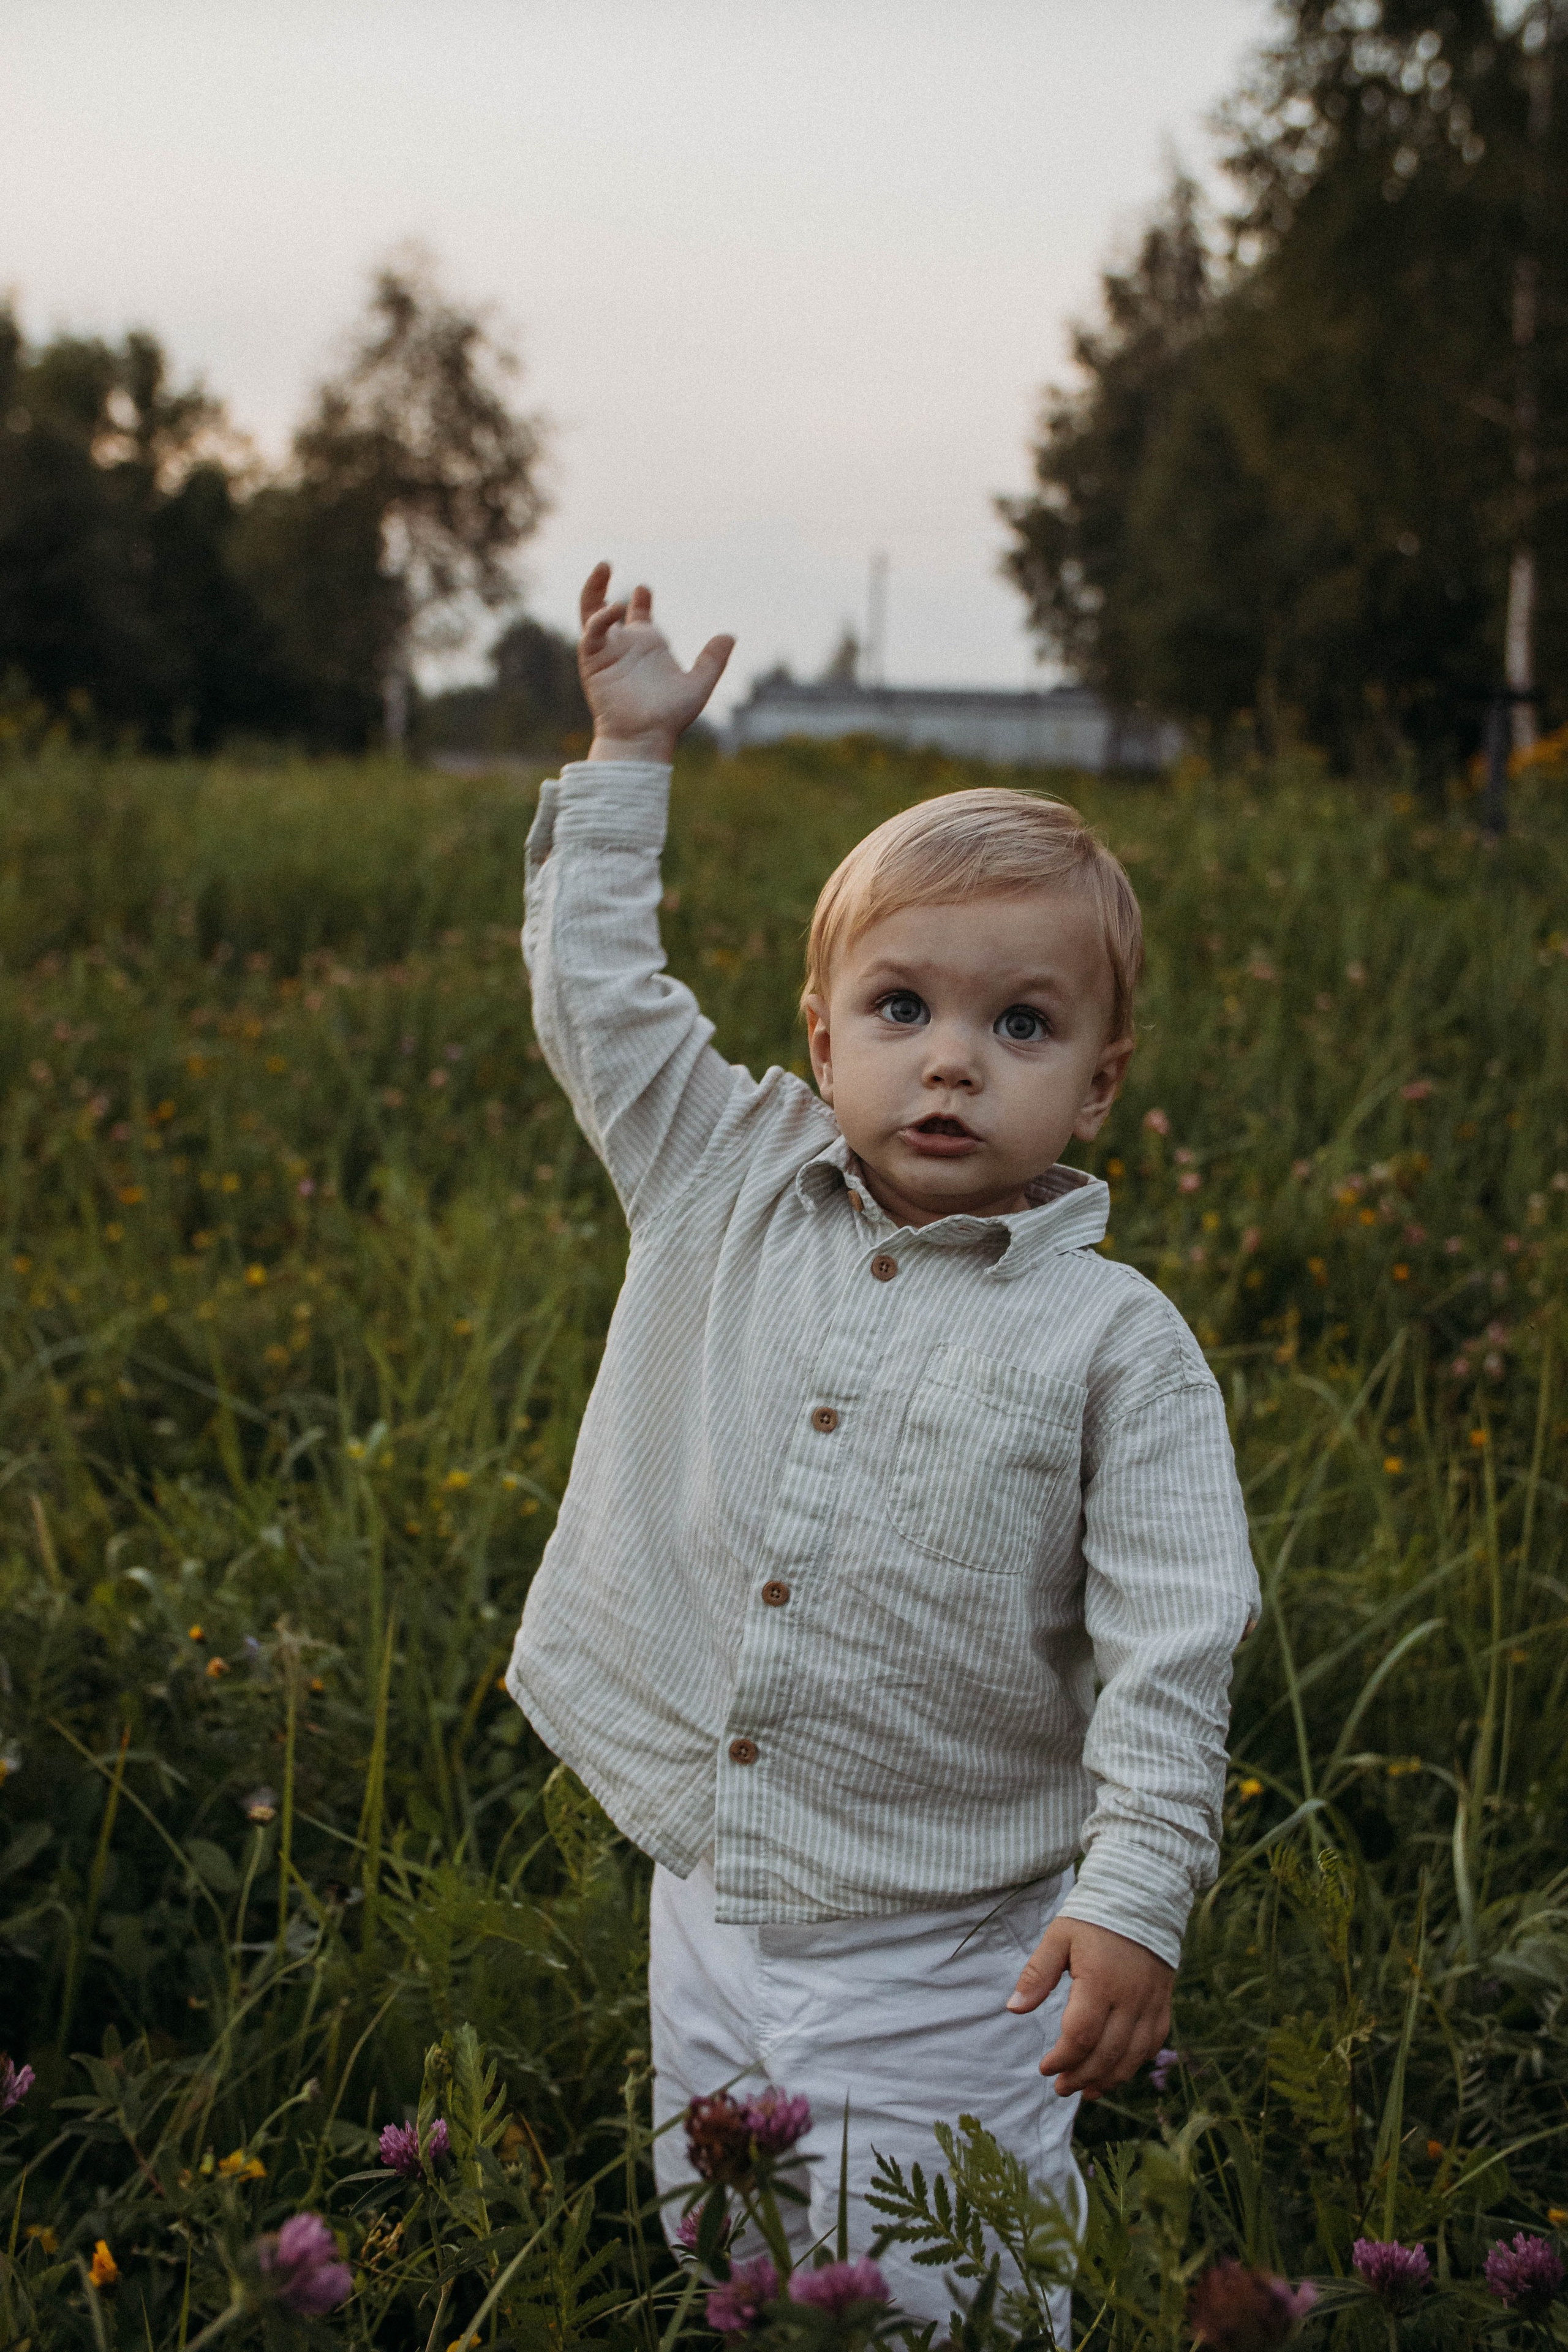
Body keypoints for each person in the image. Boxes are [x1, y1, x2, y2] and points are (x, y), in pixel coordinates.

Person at [505, 565, 1259, 2341]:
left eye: (1021, 1026)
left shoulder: (1116, 1345)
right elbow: (596, 995)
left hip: (951, 1939)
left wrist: (1137, 1898)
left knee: (944, 2287)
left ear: (1095, 1083)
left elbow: (1176, 1640)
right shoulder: (725, 1170)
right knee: (731, 2246)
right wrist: (625, 758)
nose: (951, 1067)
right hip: (711, 1877)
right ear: (820, 1033)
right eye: (903, 1009)